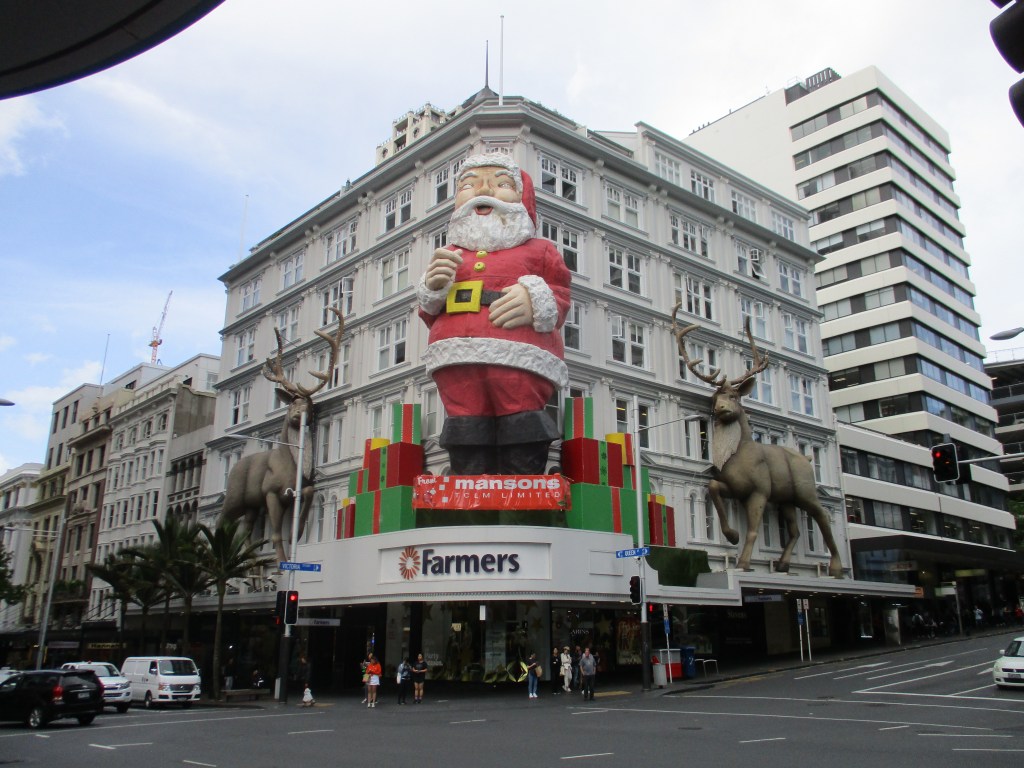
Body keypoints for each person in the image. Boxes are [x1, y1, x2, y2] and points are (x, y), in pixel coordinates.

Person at [417, 153, 572, 475]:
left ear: (522, 197)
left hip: (520, 360)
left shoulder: (540, 251)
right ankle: (469, 502)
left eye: (501, 184)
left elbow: (560, 295)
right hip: (456, 359)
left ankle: (523, 498)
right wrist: (432, 288)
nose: (482, 191)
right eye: (468, 185)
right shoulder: (449, 255)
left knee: (522, 423)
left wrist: (536, 301)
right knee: (465, 427)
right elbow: (429, 311)